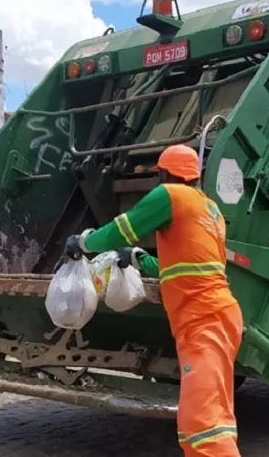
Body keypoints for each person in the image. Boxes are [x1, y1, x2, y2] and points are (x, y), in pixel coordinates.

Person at [64, 144, 243, 457]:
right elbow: (183, 268)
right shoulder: (209, 209)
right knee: (208, 419)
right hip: (216, 316)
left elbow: (121, 229)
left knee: (204, 426)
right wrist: (136, 258)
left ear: (164, 173)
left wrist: (82, 241)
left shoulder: (169, 196)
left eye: (158, 174)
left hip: (204, 320)